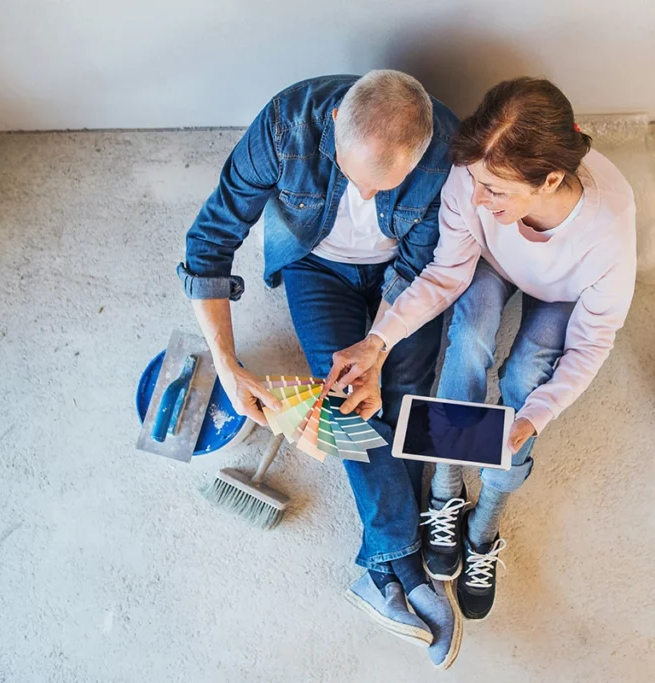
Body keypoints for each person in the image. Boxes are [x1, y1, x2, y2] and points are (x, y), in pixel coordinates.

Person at [179, 71, 461, 669]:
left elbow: (421, 262)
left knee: (407, 394)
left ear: (419, 155)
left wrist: (380, 347)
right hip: (315, 267)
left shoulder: (447, 155)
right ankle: (402, 564)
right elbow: (208, 243)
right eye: (352, 176)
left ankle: (384, 567)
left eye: (382, 186)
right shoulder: (285, 123)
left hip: (399, 280)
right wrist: (227, 366)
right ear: (334, 124)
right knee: (344, 406)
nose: (362, 197)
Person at [326, 77, 637, 621]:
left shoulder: (608, 234)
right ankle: (445, 487)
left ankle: (485, 522)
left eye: (495, 190)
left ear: (551, 181)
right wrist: (379, 340)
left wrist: (536, 417)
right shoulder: (473, 177)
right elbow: (446, 273)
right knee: (467, 338)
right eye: (475, 181)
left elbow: (591, 344)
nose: (476, 197)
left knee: (525, 384)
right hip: (491, 262)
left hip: (563, 291)